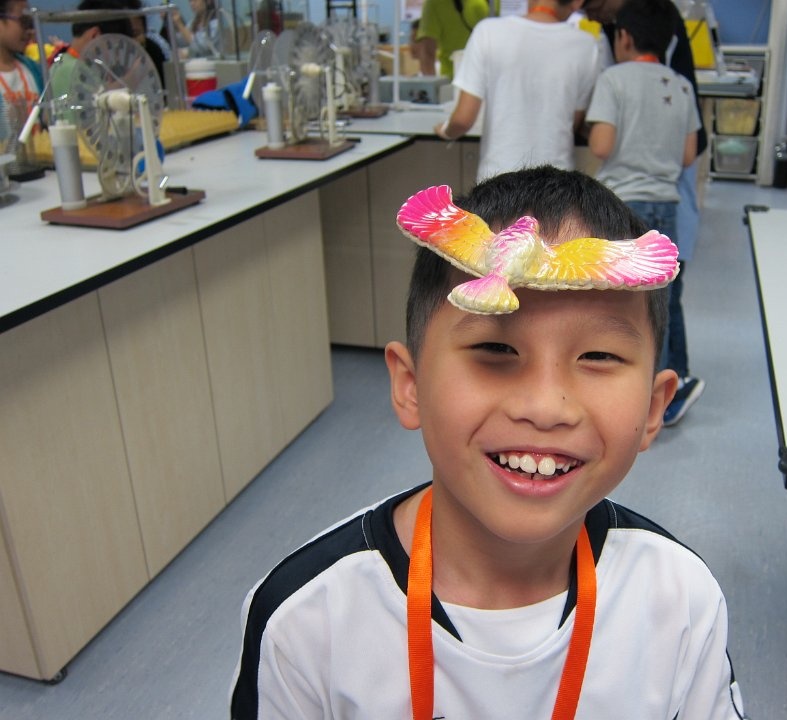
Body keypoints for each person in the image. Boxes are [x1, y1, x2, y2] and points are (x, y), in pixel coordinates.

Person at [230, 166, 746, 719]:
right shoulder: (305, 619)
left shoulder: (682, 600)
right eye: (496, 350)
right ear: (410, 386)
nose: (545, 407)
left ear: (652, 409)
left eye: (598, 356)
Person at [584, 0, 707, 425]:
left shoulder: (613, 79)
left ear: (624, 37)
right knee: (661, 300)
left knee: (614, 300)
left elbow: (601, 145)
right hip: (666, 206)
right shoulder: (682, 86)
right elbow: (689, 155)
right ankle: (665, 391)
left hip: (620, 207)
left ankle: (613, 389)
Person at [435, 0, 601, 182]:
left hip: (499, 178)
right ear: (576, 3)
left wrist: (445, 130)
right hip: (557, 182)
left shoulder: (488, 32)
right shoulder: (586, 45)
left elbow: (463, 119)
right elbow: (573, 122)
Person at [48, 0, 133, 105]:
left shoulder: (69, 64)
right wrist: (132, 78)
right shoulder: (74, 71)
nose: (116, 58)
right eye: (115, 48)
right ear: (95, 35)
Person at [0, 0, 43, 150]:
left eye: (32, 24)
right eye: (24, 22)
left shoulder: (33, 70)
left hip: (39, 159)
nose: (31, 31)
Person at [415, 0, 491, 78]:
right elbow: (427, 53)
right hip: (462, 78)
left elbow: (427, 53)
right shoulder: (435, 3)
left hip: (455, 78)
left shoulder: (434, 3)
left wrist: (432, 84)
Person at [121, 0, 167, 88]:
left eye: (135, 34)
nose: (132, 42)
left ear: (145, 30)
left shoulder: (154, 51)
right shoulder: (112, 59)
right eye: (126, 35)